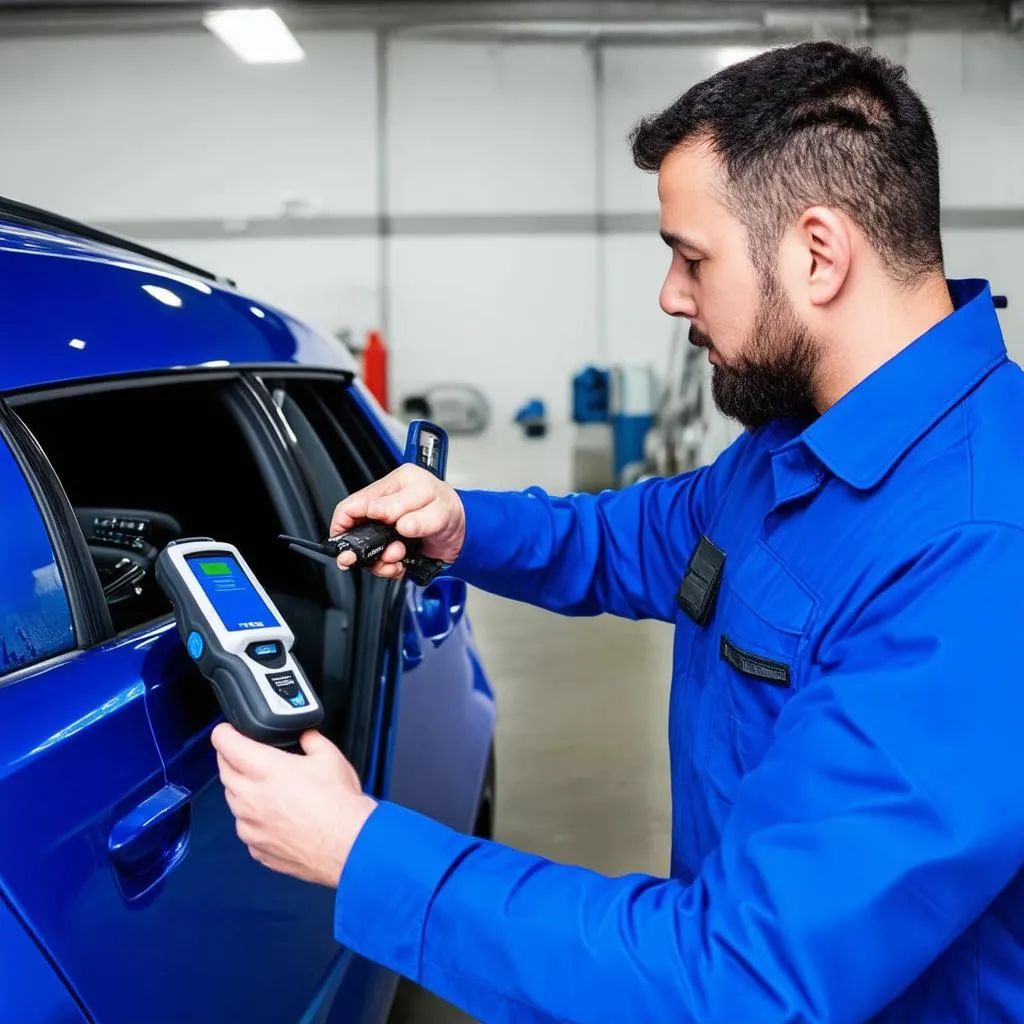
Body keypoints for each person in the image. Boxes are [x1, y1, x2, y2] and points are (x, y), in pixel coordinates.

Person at [211, 40, 1024, 1023]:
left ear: (818, 253)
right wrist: (461, 522)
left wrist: (359, 851)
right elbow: (640, 536)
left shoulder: (979, 549)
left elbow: (738, 979)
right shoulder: (795, 447)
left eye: (691, 256)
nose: (671, 294)